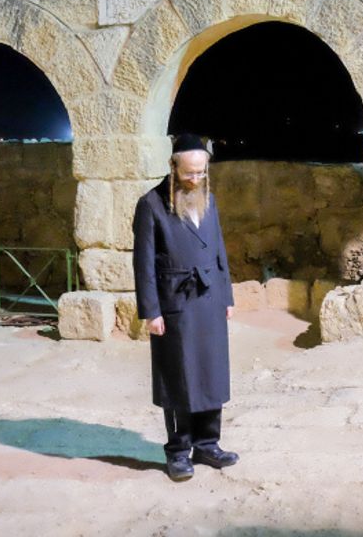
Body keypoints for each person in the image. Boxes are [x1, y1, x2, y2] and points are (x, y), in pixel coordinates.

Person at [132, 133, 238, 482]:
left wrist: (227, 296)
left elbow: (219, 250)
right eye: (189, 173)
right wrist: (151, 310)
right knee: (179, 377)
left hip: (209, 299)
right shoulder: (150, 205)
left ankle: (207, 443)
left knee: (210, 372)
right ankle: (178, 451)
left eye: (200, 173)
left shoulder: (211, 199)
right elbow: (143, 263)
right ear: (174, 167)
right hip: (175, 301)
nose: (195, 179)